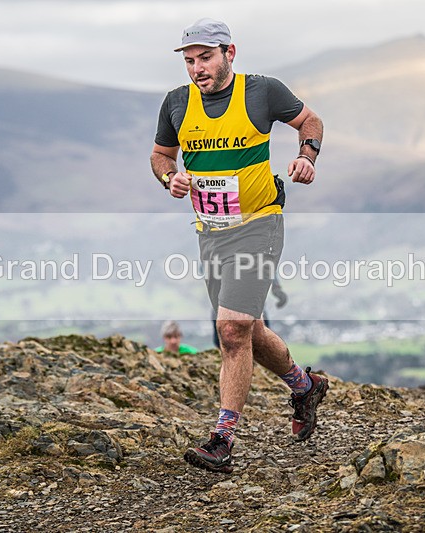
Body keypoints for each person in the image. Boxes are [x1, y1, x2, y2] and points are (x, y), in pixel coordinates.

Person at [150, 18, 328, 473]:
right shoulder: (175, 102)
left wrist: (307, 157)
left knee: (230, 330)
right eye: (189, 61)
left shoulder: (261, 91)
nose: (196, 69)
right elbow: (160, 155)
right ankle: (304, 386)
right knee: (247, 329)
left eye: (205, 58)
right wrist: (171, 178)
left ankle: (222, 440)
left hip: (259, 224)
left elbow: (310, 121)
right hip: (210, 231)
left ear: (230, 52)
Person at [212, 278, 287, 349]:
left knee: (261, 342)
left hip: (253, 308)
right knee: (224, 344)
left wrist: (277, 289)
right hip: (224, 309)